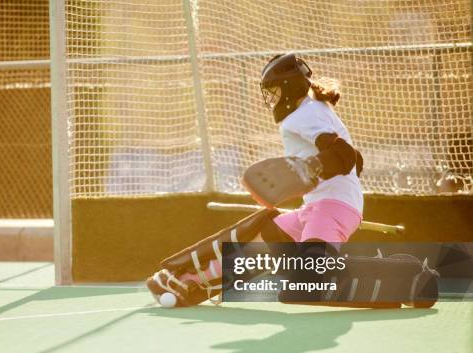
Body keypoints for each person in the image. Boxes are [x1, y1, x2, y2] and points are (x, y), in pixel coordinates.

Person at [147, 53, 364, 307]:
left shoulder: (302, 116)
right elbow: (357, 161)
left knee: (309, 279)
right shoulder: (318, 109)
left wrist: (313, 167)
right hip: (321, 208)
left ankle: (392, 276)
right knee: (263, 241)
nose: (272, 98)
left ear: (289, 86)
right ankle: (189, 280)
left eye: (274, 90)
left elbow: (346, 156)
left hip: (331, 208)